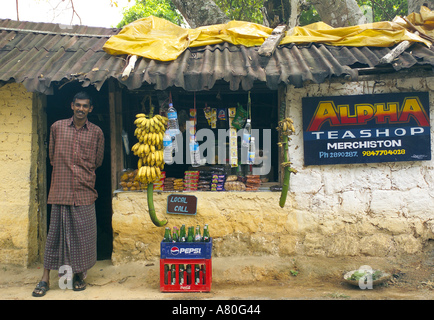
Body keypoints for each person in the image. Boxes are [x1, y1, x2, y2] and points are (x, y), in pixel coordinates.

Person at [32, 91, 105, 297]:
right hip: (61, 189)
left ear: (90, 109)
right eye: (78, 105)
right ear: (72, 106)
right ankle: (45, 278)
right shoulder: (57, 127)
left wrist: (82, 171)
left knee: (84, 236)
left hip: (85, 190)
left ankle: (79, 275)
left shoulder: (97, 132)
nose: (81, 109)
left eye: (85, 106)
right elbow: (52, 157)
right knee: (55, 235)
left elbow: (98, 161)